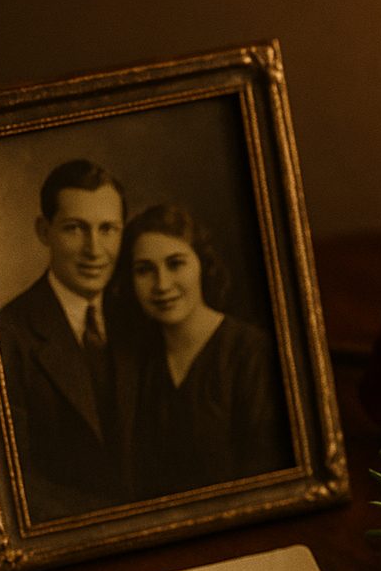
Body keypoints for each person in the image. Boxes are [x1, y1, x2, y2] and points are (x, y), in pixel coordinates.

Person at [114, 204, 292, 499]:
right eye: (144, 270)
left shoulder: (251, 353)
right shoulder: (139, 362)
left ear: (202, 264)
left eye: (175, 264)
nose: (161, 284)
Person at [0, 159, 134, 523]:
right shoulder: (6, 335)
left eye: (108, 229)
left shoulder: (138, 317)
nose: (94, 249)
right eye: (75, 228)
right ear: (45, 231)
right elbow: (12, 484)